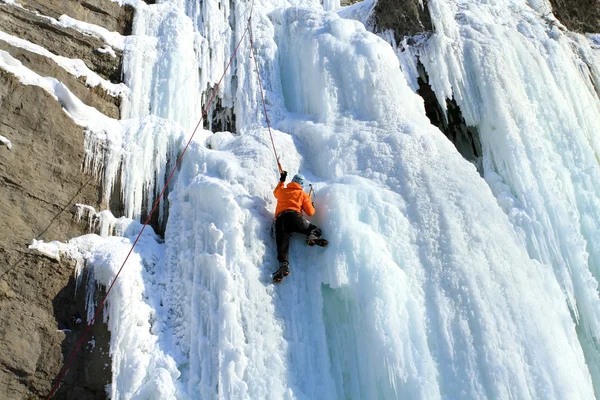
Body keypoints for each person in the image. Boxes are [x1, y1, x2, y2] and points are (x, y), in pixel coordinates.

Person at [272, 171, 328, 282]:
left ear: (292, 181)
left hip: (279, 220)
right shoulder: (302, 194)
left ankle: (283, 266)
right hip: (294, 217)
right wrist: (311, 203)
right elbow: (310, 212)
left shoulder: (283, 191)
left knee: (282, 247)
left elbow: (276, 193)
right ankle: (312, 236)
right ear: (301, 185)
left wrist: (282, 181)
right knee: (314, 229)